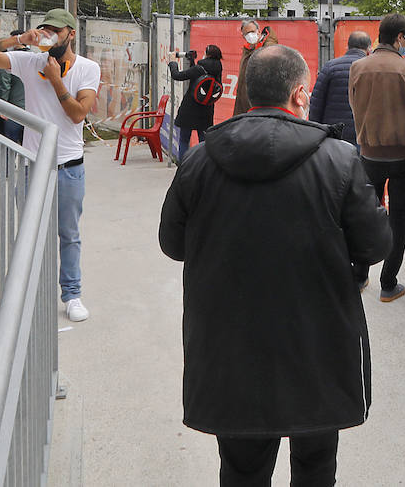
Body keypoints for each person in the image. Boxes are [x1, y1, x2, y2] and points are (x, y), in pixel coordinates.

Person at [159, 45, 390, 487]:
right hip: (318, 344)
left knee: (242, 471)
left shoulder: (199, 160)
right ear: (301, 95)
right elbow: (375, 244)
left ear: (246, 91)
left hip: (230, 346)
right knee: (316, 468)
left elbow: (173, 243)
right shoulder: (339, 159)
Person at [0, 8, 101, 322]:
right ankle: (29, 293)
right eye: (45, 29)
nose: (49, 35)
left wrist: (57, 82)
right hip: (32, 165)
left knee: (68, 234)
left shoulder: (87, 68)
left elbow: (77, 114)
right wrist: (18, 39)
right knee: (30, 234)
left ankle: (72, 295)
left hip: (68, 166)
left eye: (56, 30)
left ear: (70, 33)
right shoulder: (28, 62)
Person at [347, 13, 405, 302]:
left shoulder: (358, 67)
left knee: (367, 212)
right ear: (400, 39)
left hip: (369, 152)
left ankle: (359, 276)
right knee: (397, 218)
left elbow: (354, 106)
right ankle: (388, 284)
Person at [309, 30, 371, 144]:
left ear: (348, 46)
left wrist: (316, 131)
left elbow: (316, 104)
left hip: (333, 135)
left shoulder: (330, 67)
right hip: (362, 136)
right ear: (369, 49)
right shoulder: (371, 69)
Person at [169, 45, 223, 155]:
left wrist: (173, 63)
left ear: (207, 55)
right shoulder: (218, 68)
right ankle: (203, 166)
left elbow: (177, 75)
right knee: (203, 142)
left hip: (190, 108)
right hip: (206, 109)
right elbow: (201, 80)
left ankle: (183, 166)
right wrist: (191, 61)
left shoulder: (199, 68)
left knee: (184, 139)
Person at [0, 30, 27, 144]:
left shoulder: (11, 58)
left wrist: (2, 107)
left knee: (9, 144)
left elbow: (5, 83)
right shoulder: (34, 56)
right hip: (30, 109)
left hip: (13, 108)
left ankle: (6, 162)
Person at [232, 19, 278, 115]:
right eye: (246, 33)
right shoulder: (248, 49)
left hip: (261, 104)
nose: (250, 35)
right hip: (246, 103)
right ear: (243, 36)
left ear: (258, 31)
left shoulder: (268, 48)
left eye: (252, 31)